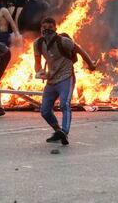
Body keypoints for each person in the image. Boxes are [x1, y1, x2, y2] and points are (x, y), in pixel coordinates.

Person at [34, 17, 97, 145]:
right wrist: (40, 71)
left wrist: (91, 65)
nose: (47, 30)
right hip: (51, 80)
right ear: (41, 29)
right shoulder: (38, 44)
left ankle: (65, 132)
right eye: (44, 27)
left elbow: (80, 51)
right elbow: (37, 63)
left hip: (66, 77)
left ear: (55, 29)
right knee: (45, 111)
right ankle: (58, 131)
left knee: (64, 104)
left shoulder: (64, 41)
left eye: (50, 27)